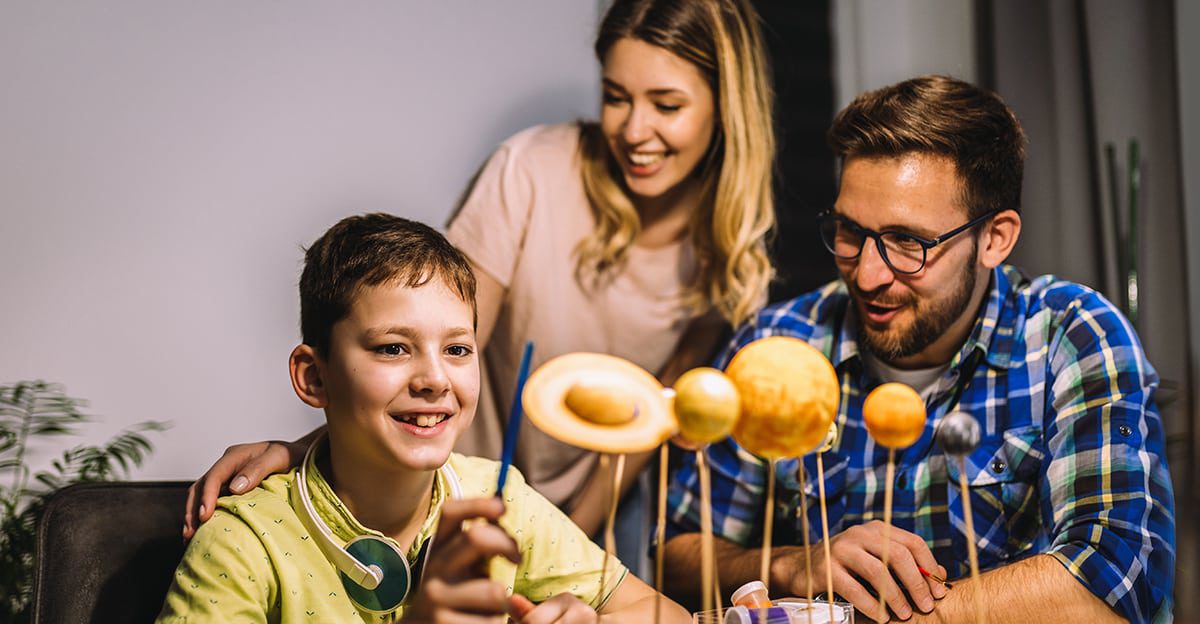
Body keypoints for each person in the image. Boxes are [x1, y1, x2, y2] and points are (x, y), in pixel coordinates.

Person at [182, 0, 777, 571]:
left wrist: (560, 540)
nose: (634, 130)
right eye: (616, 98)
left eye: (666, 105)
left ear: (726, 107)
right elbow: (426, 358)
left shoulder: (730, 251)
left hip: (580, 513)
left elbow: (644, 430)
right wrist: (299, 452)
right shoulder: (530, 172)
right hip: (452, 487)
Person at [662, 75, 1175, 624]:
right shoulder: (777, 343)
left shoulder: (1071, 335)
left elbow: (1119, 579)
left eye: (909, 242)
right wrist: (792, 565)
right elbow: (676, 556)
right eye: (849, 231)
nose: (867, 273)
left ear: (995, 238)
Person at [157, 213, 690, 623]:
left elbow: (670, 615)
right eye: (392, 349)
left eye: (458, 350)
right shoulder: (243, 542)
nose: (435, 379)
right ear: (314, 378)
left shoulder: (501, 502)